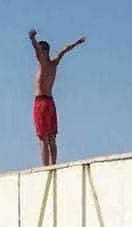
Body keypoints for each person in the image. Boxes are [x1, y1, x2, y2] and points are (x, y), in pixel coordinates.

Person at [28, 28, 86, 167]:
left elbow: (36, 49)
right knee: (52, 137)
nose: (37, 54)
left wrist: (32, 39)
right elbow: (64, 50)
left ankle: (46, 167)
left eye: (40, 51)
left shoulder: (44, 62)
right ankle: (53, 164)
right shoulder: (55, 63)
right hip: (50, 102)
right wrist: (77, 43)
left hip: (41, 102)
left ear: (44, 51)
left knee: (43, 138)